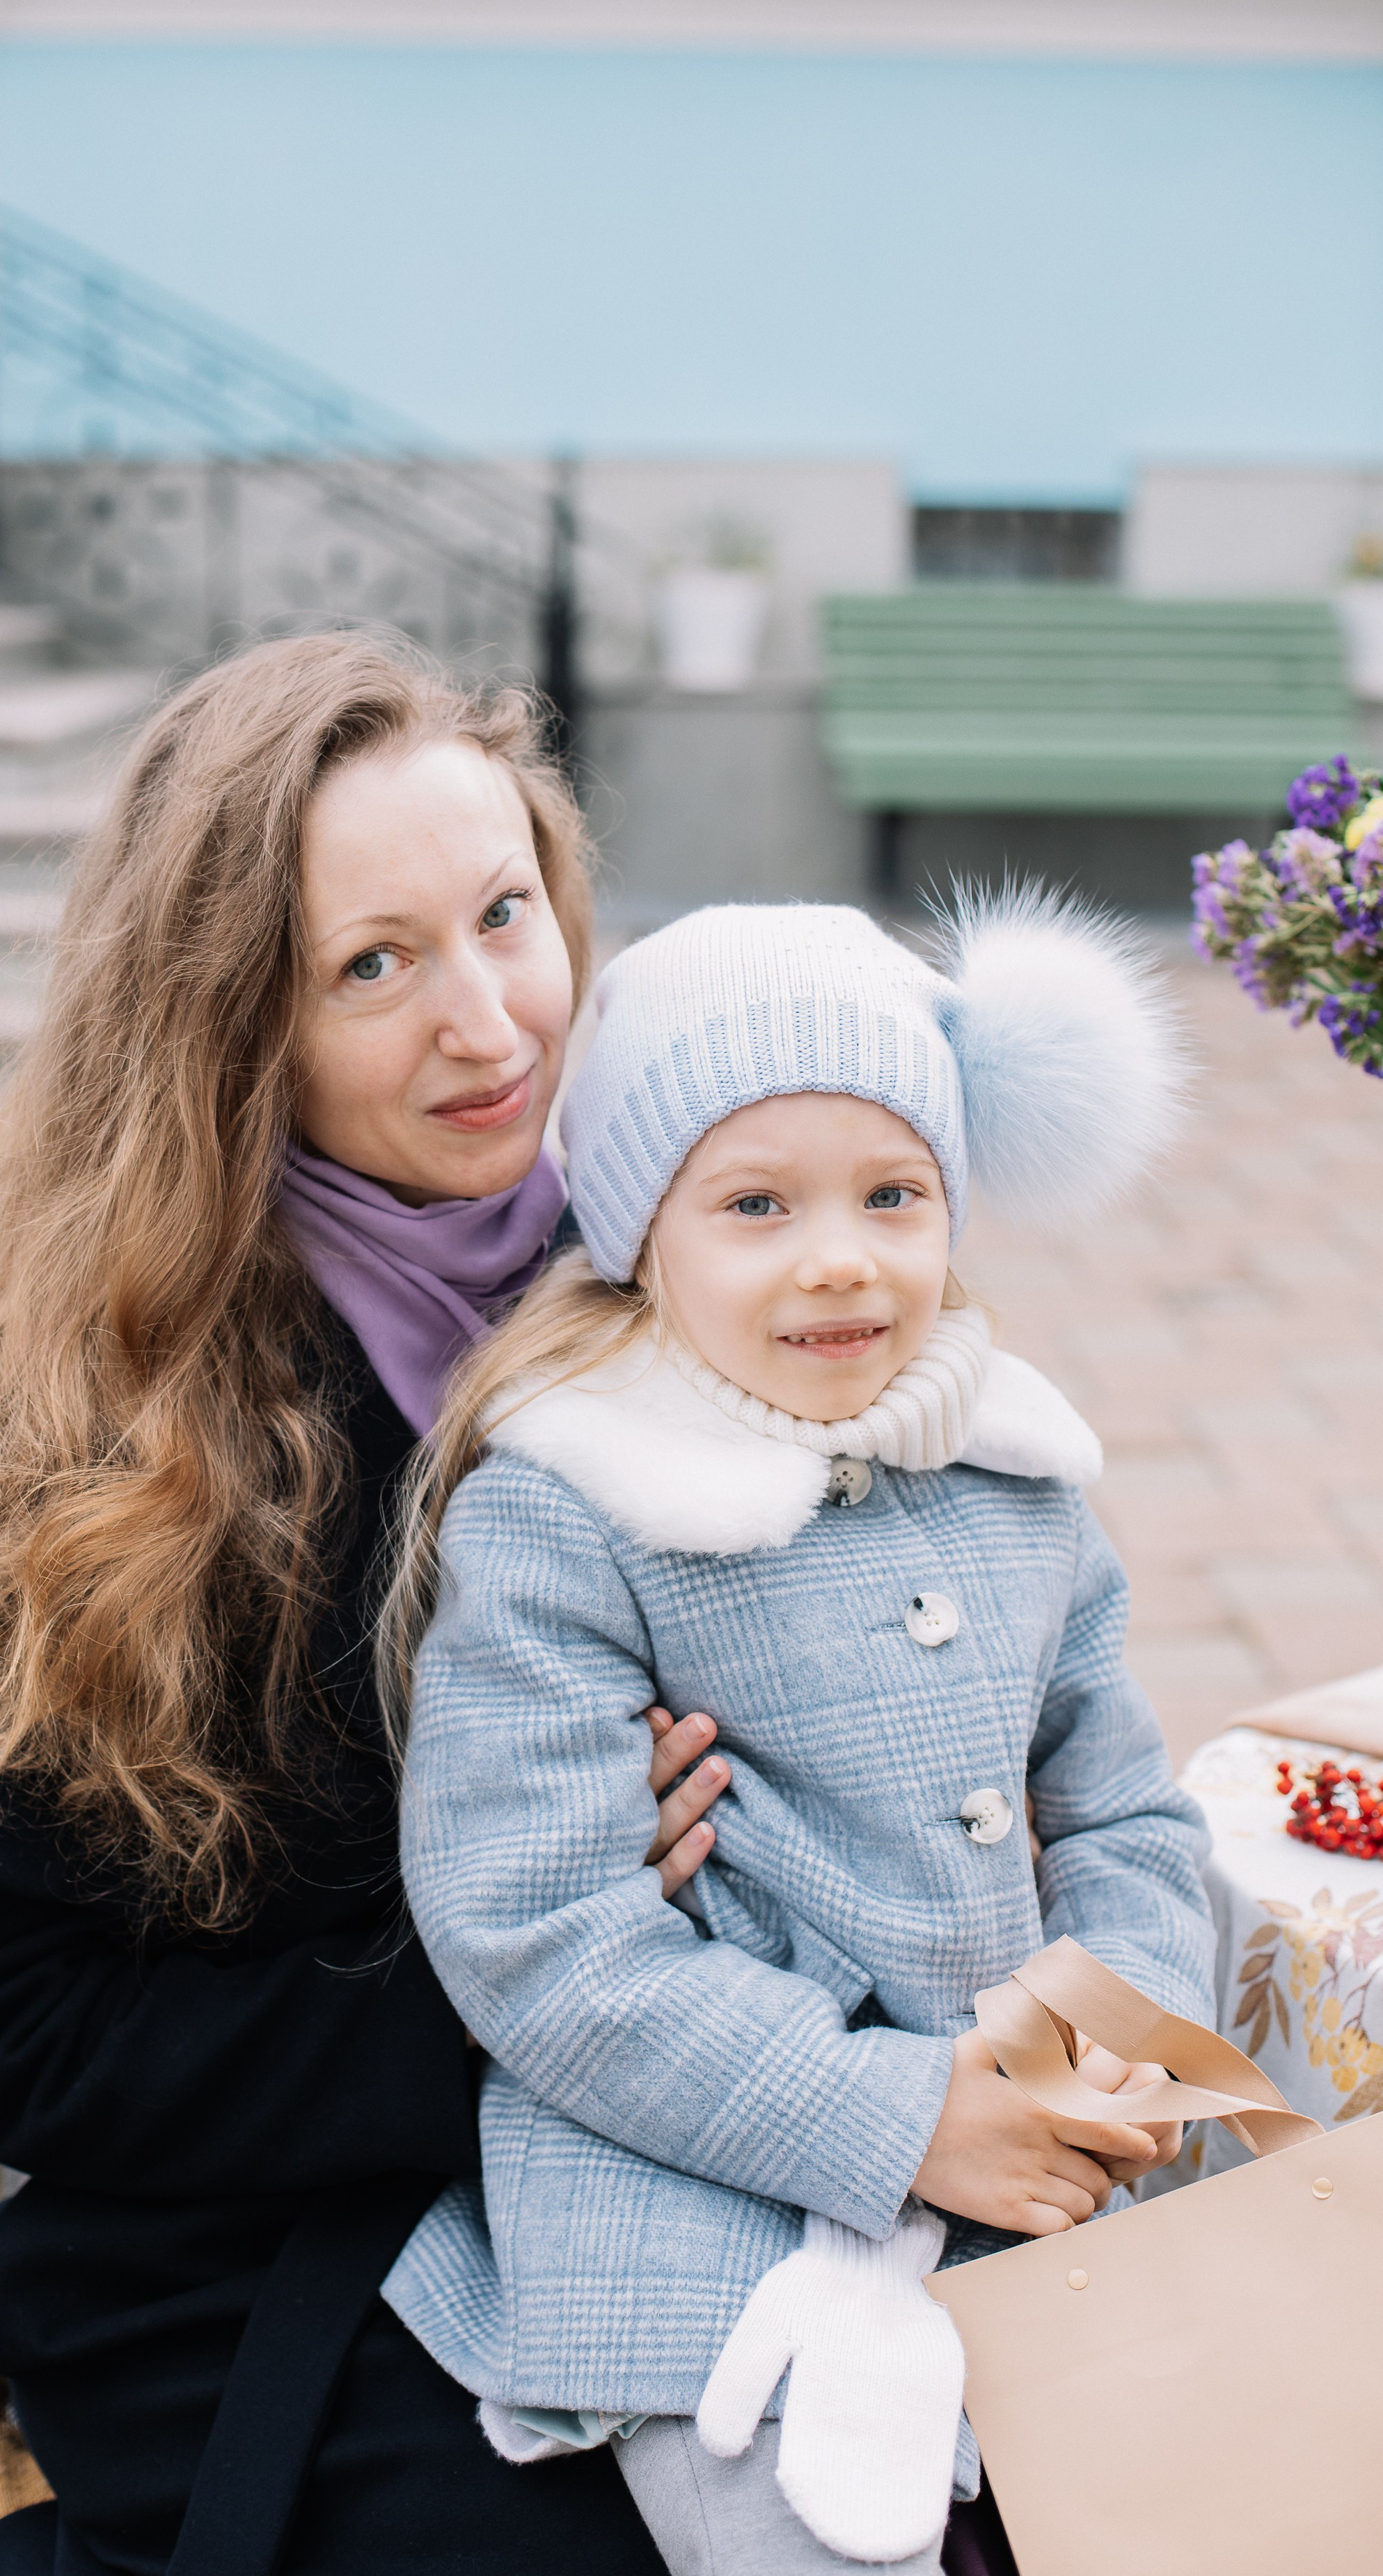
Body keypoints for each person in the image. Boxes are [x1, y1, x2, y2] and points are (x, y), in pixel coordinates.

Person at [0, 636, 717, 2575]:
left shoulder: (674, 1264)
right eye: (373, 965)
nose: (489, 1023)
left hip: (680, 2165)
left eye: (506, 914)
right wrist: (512, 1981)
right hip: (257, 2262)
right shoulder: (94, 1420)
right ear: (231, 1026)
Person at [385, 898, 1217, 2575]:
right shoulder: (572, 1509)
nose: (837, 1255)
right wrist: (895, 2116)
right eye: (756, 1203)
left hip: (1023, 2152)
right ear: (642, 1230)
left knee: (1190, 2490)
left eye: (890, 1194)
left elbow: (1123, 1809)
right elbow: (539, 1934)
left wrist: (1116, 2047)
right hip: (705, 2199)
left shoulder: (1017, 1484)